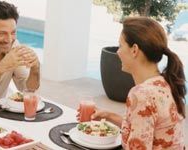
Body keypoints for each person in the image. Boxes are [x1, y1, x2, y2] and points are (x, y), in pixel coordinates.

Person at [79, 17, 186, 149]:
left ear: (134, 50)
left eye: (121, 46)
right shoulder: (164, 83)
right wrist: (108, 116)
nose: (117, 52)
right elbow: (143, 127)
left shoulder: (141, 95)